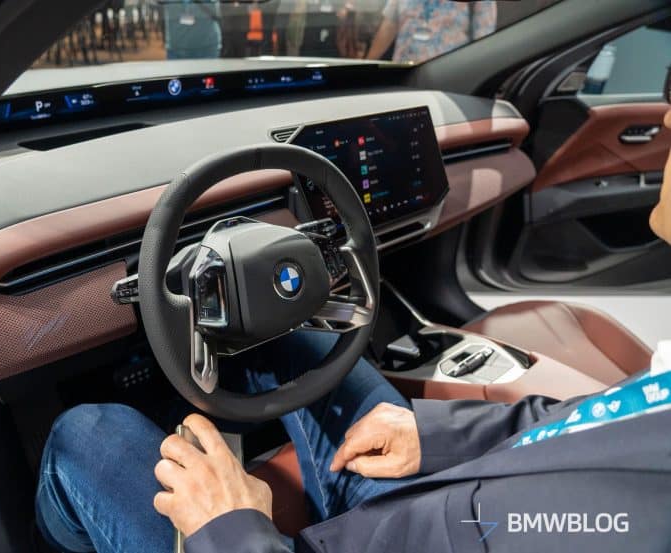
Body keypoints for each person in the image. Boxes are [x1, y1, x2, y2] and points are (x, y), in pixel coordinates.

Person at [35, 108, 671, 552]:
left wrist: (229, 529)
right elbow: (608, 424)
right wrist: (435, 433)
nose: (666, 121)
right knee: (295, 338)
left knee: (86, 433)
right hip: (436, 507)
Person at [366, 0, 496, 63]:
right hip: (403, 74)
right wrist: (368, 65)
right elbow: (389, 24)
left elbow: (483, 41)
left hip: (447, 78)